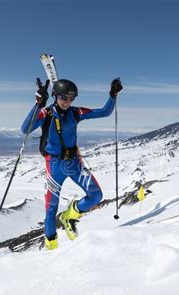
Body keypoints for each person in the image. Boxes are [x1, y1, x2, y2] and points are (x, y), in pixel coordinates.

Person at [21, 78, 123, 250]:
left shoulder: (76, 113)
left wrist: (112, 95)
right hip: (54, 165)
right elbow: (25, 129)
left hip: (74, 163)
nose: (68, 102)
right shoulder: (46, 114)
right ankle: (51, 246)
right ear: (56, 96)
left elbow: (105, 112)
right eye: (64, 98)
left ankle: (69, 216)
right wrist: (38, 104)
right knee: (51, 209)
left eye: (71, 98)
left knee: (96, 195)